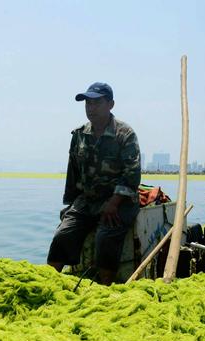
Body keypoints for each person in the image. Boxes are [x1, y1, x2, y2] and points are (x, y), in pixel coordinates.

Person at [47, 82, 141, 285]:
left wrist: (114, 203)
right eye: (88, 103)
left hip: (120, 201)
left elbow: (132, 174)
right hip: (87, 201)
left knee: (105, 238)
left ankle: (104, 286)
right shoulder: (79, 135)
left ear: (111, 104)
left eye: (96, 102)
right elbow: (73, 174)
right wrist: (70, 206)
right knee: (62, 235)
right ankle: (50, 282)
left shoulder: (124, 134)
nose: (91, 107)